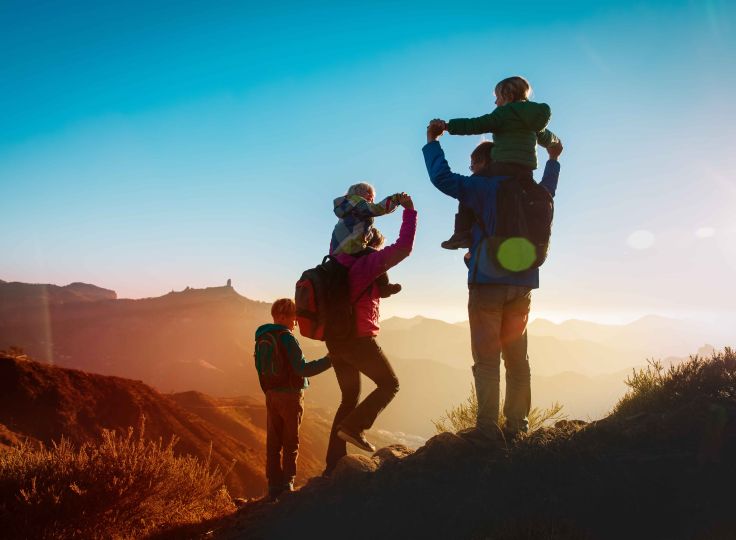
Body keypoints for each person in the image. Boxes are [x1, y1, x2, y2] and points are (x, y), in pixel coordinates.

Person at [422, 121, 562, 442]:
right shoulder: (533, 190)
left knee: (487, 361)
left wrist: (432, 142)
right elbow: (550, 188)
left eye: (473, 164)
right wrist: (553, 159)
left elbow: (442, 178)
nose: (471, 169)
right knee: (518, 361)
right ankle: (517, 427)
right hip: (524, 283)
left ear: (488, 160)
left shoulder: (483, 187)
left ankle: (487, 431)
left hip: (487, 282)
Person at [323, 193, 417, 474]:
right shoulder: (367, 264)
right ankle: (354, 427)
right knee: (390, 385)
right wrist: (410, 213)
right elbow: (403, 248)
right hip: (358, 341)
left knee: (349, 399)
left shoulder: (336, 264)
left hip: (335, 340)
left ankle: (333, 465)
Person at [432, 75, 561, 249]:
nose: (495, 103)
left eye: (497, 98)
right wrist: (555, 145)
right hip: (525, 173)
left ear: (507, 96)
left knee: (469, 191)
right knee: (538, 196)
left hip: (502, 168)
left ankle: (461, 233)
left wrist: (447, 126)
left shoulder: (503, 114)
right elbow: (547, 138)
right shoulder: (532, 123)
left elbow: (476, 124)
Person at [254, 298, 332, 499]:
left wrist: (270, 392)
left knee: (273, 443)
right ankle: (287, 483)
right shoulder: (287, 337)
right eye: (293, 318)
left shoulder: (263, 336)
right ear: (282, 316)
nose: (295, 323)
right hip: (290, 396)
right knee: (291, 442)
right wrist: (330, 360)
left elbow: (260, 370)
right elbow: (303, 368)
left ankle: (273, 487)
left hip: (271, 395)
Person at [331, 183, 404, 298]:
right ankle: (384, 286)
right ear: (357, 192)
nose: (372, 196)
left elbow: (359, 231)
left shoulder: (346, 209)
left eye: (373, 194)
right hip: (351, 247)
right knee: (375, 255)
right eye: (368, 192)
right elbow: (378, 209)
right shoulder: (357, 203)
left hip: (338, 250)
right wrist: (396, 199)